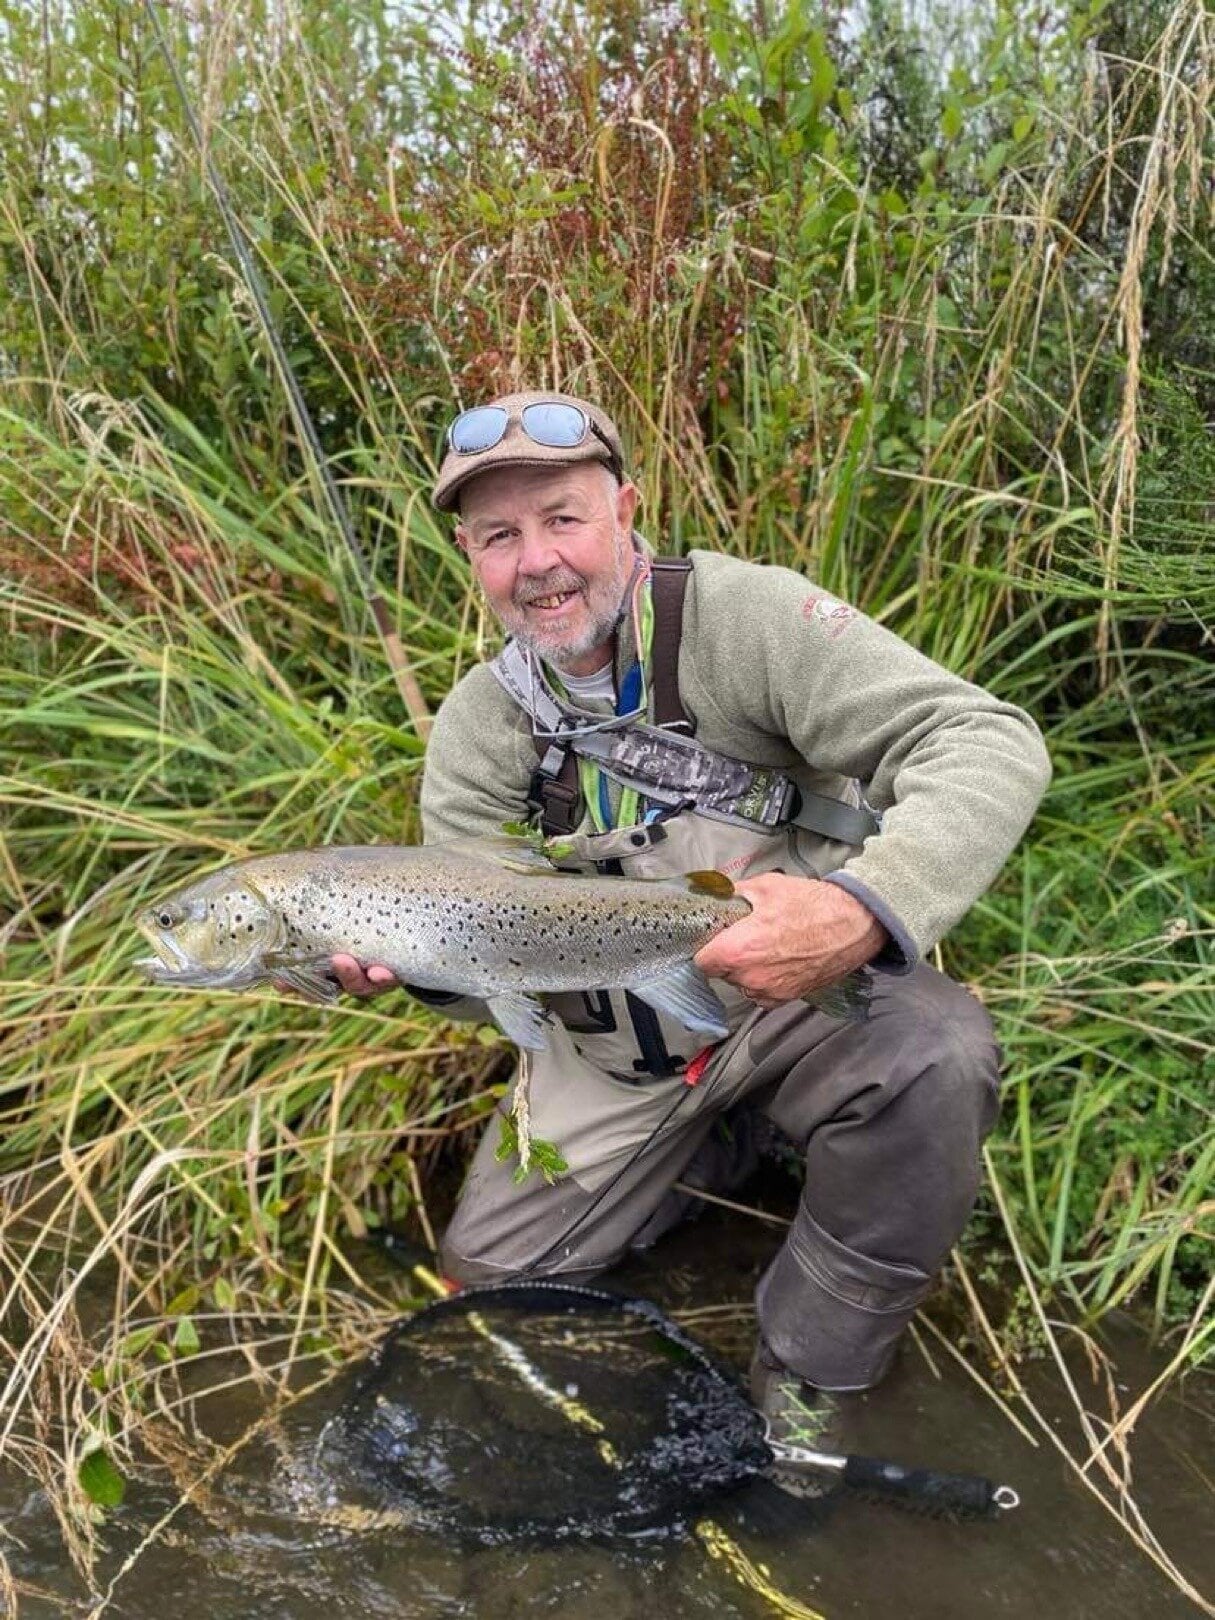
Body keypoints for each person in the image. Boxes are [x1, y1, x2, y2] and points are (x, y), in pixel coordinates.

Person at [332, 390, 1051, 1482]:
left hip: (798, 1004)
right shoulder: (480, 733)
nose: (538, 562)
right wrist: (410, 973)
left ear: (626, 512)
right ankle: (723, 1147)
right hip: (617, 1060)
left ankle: (812, 1379)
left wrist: (865, 906)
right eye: (499, 537)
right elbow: (486, 968)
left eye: (563, 518)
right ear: (473, 560)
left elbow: (985, 740)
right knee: (494, 1284)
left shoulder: (748, 622)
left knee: (935, 1056)